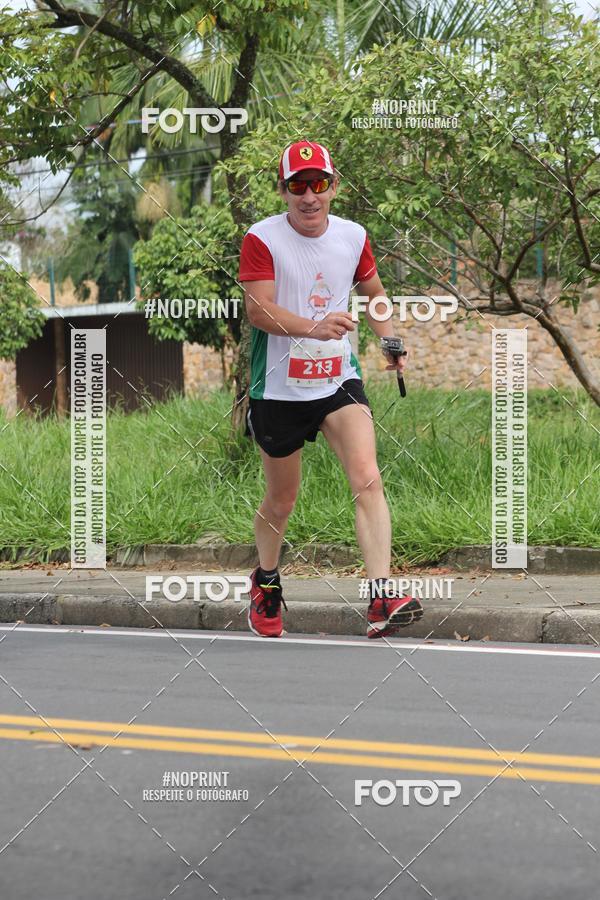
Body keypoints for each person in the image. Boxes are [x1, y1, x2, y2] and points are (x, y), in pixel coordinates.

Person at [239, 140, 424, 639]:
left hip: (338, 379)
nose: (308, 196)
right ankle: (267, 581)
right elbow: (258, 310)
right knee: (282, 499)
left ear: (334, 187)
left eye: (318, 184)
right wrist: (313, 327)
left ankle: (381, 597)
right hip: (278, 389)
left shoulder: (353, 235)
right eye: (297, 186)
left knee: (368, 479)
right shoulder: (262, 238)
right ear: (283, 191)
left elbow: (375, 295)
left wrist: (391, 341)